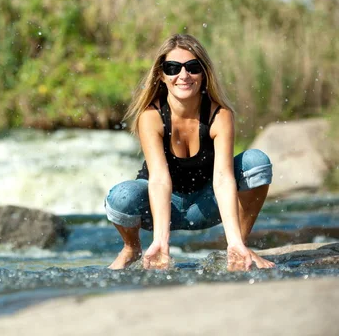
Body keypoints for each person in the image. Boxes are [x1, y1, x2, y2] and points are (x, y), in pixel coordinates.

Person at [105, 33, 275, 271]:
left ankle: (240, 246)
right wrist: (160, 242)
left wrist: (234, 242)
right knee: (121, 197)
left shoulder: (220, 115)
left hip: (205, 205)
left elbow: (224, 178)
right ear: (161, 75)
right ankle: (132, 248)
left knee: (256, 161)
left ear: (204, 74)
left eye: (192, 67)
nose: (183, 75)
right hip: (161, 209)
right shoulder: (151, 117)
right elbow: (160, 180)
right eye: (173, 68)